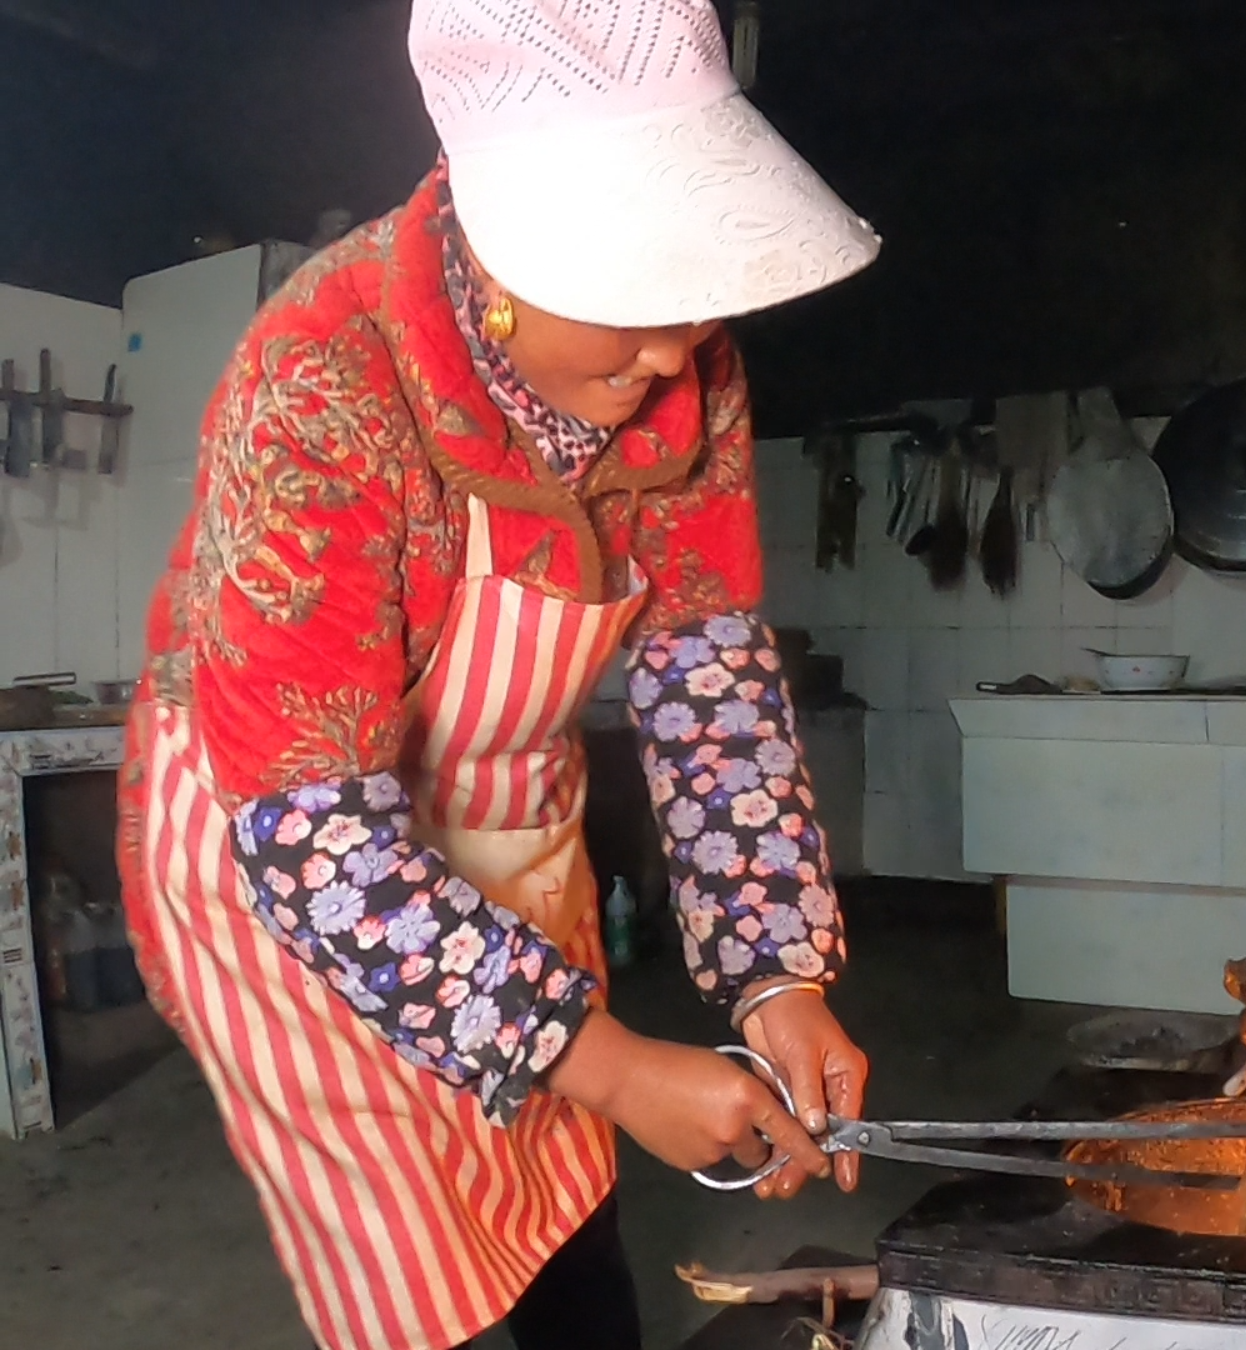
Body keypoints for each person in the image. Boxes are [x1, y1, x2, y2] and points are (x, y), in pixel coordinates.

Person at [113, 3, 883, 1347]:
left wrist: (779, 978)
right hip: (289, 850)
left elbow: (712, 697)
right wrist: (617, 1062)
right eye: (638, 308)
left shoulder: (679, 370)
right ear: (506, 244)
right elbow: (318, 834)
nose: (672, 357)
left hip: (505, 812)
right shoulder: (321, 375)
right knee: (422, 1257)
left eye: (696, 305)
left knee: (563, 1186)